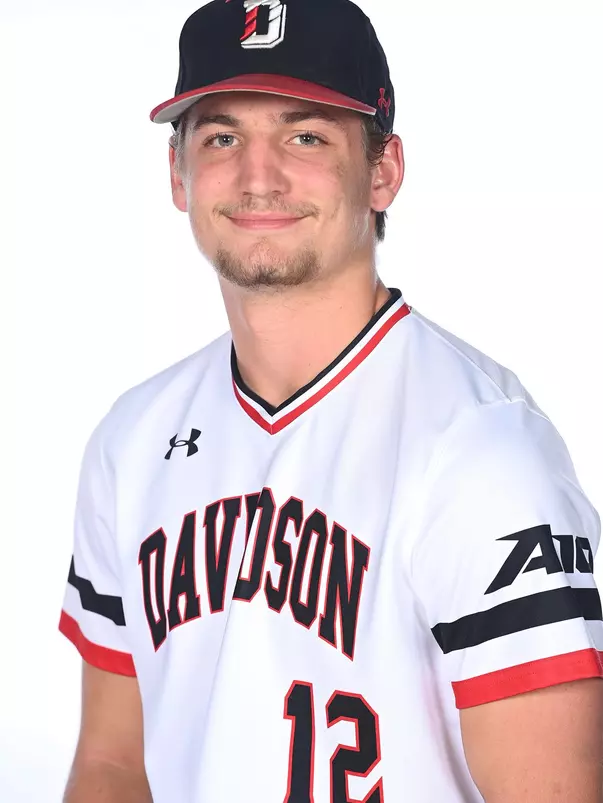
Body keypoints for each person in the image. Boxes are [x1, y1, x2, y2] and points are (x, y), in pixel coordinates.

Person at [59, 1, 603, 801]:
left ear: (381, 172)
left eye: (305, 135)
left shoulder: (482, 451)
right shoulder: (132, 439)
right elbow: (110, 763)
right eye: (221, 137)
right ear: (177, 175)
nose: (257, 175)